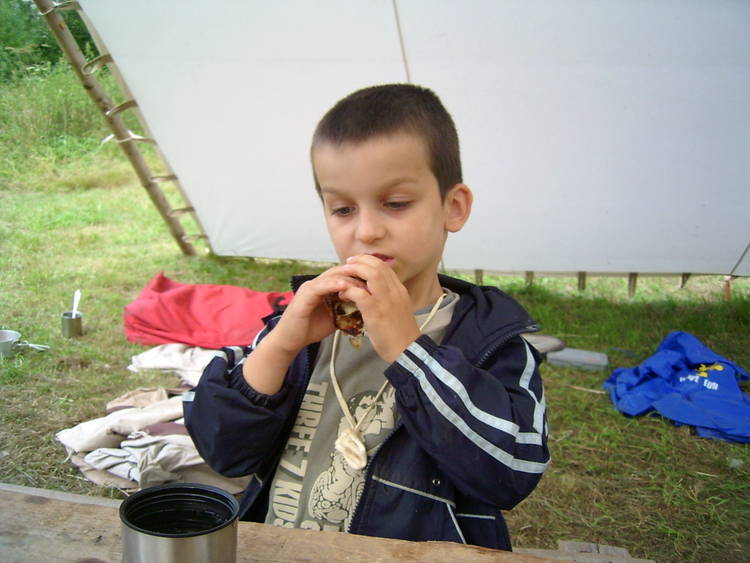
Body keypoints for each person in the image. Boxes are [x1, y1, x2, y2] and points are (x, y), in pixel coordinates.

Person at [184, 83, 549, 550]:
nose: (367, 231)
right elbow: (223, 451)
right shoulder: (305, 328)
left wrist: (410, 351)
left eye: (396, 204)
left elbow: (513, 471)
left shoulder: (493, 343)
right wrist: (281, 345)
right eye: (343, 209)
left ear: (452, 208)